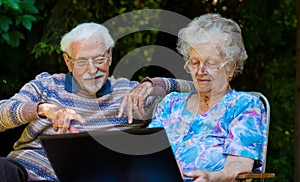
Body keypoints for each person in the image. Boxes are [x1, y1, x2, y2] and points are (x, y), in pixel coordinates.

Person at [0, 22, 194, 181]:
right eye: (82, 61)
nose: (92, 69)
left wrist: (157, 83)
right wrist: (43, 109)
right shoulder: (45, 86)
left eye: (99, 59)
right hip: (25, 173)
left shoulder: (132, 94)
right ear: (68, 62)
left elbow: (202, 88)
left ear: (109, 57)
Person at [147, 13, 267, 182]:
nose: (200, 70)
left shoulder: (243, 106)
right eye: (195, 62)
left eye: (210, 63)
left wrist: (212, 177)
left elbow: (239, 164)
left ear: (231, 68)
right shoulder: (170, 104)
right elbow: (146, 154)